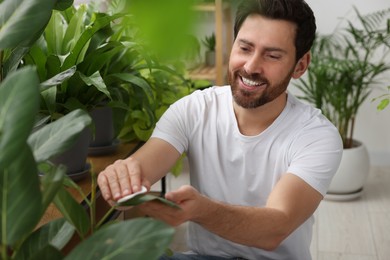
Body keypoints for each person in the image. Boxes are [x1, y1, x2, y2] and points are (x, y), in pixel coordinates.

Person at [97, 0, 343, 259]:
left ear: (300, 65)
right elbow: (139, 170)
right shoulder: (194, 109)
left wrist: (202, 211)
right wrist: (120, 178)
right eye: (245, 48)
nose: (250, 66)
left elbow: (276, 227)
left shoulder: (316, 135)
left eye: (272, 55)